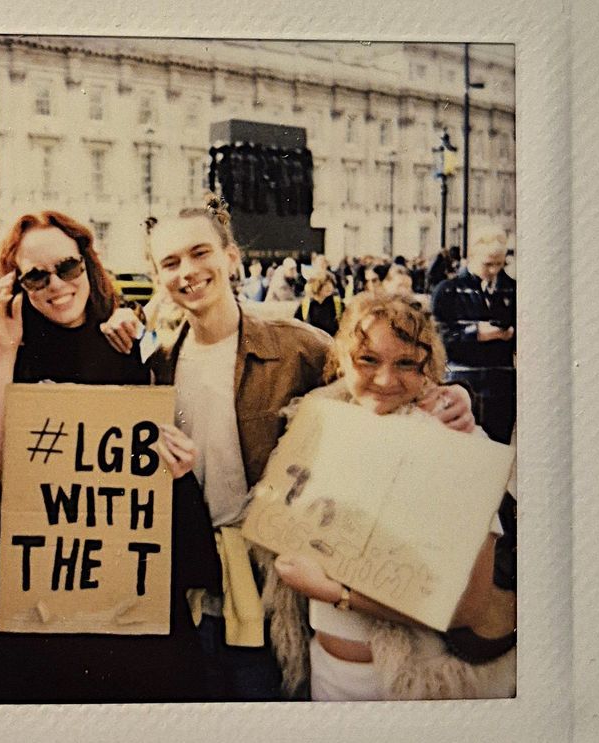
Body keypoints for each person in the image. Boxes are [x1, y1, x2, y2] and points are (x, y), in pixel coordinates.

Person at [103, 194, 475, 700]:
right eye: (170, 262)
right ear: (156, 275)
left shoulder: (298, 344)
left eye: (200, 253)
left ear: (230, 257)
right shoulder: (160, 359)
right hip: (195, 580)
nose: (187, 271)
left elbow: (380, 386)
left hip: (281, 583)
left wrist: (450, 394)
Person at [0, 210, 220, 703]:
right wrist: (3, 351)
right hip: (38, 583)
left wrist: (175, 457)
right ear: (13, 283)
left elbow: (160, 407)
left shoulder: (126, 333)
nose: (56, 285)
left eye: (67, 267)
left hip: (125, 576)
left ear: (87, 262)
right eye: (35, 276)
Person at [272, 291, 515, 701]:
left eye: (406, 363)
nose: (385, 379)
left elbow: (468, 608)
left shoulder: (460, 444)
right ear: (343, 361)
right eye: (368, 360)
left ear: (429, 370)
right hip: (327, 676)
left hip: (411, 684)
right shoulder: (320, 429)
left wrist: (338, 594)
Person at [431, 235, 517, 444]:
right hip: (462, 384)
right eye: (488, 264)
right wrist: (475, 333)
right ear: (471, 258)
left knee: (498, 450)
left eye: (499, 264)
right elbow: (439, 337)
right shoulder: (447, 290)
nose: (494, 270)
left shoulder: (513, 289)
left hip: (500, 387)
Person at [294, 269, 342, 337]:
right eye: (325, 284)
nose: (330, 287)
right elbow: (296, 325)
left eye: (331, 283)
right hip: (311, 344)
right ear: (316, 285)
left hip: (333, 344)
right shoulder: (305, 304)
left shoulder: (338, 303)